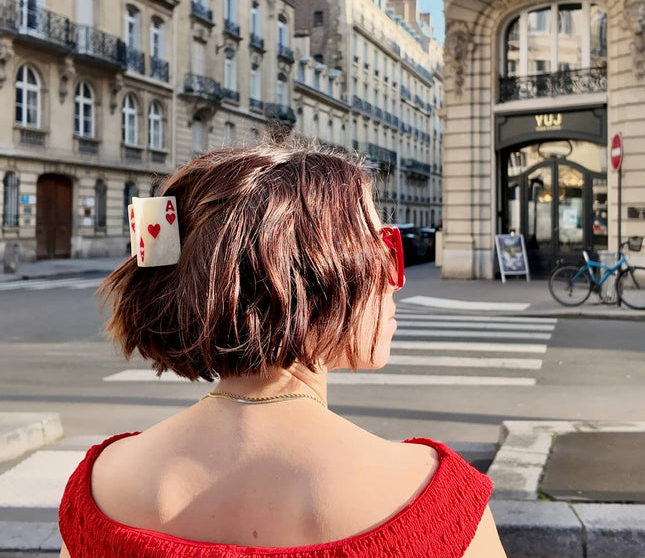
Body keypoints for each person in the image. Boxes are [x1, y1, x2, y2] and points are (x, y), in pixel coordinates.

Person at [58, 142, 507, 557]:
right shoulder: (435, 499)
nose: (393, 280)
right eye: (384, 249)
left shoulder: (99, 487)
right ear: (318, 279)